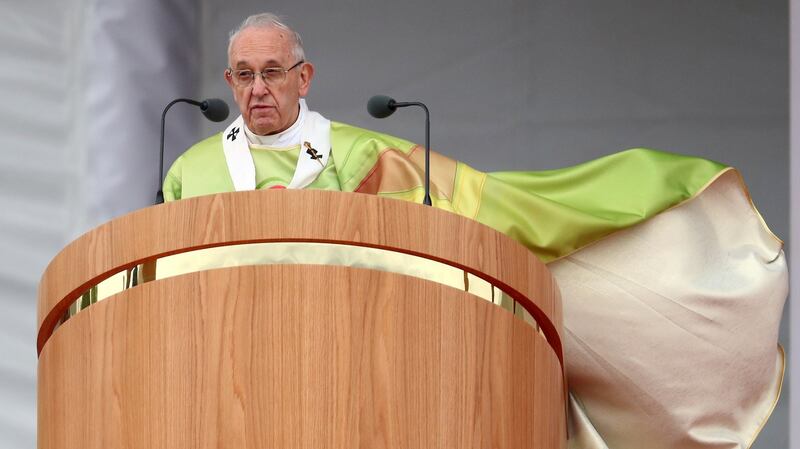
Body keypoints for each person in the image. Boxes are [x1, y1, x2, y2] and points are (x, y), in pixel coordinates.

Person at [163, 13, 787, 449]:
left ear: (304, 77)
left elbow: (486, 211)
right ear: (228, 83)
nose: (258, 88)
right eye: (244, 75)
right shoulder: (191, 170)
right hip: (226, 384)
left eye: (272, 72)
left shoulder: (366, 156)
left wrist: (610, 199)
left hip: (350, 380)